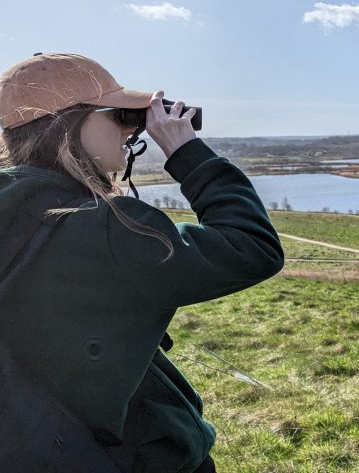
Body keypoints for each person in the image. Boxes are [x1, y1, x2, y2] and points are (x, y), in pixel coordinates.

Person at [0, 53, 285, 471]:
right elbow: (251, 247)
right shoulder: (103, 230)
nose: (132, 131)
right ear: (68, 126)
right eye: (120, 117)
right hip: (128, 456)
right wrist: (187, 151)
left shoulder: (14, 212)